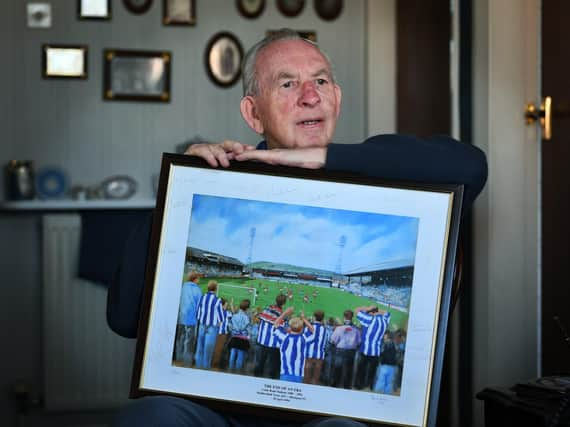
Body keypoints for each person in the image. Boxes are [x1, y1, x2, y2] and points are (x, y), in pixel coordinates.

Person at [108, 29, 487, 427]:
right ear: (253, 114)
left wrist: (320, 159)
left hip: (328, 417)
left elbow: (470, 166)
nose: (310, 96)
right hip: (219, 412)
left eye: (320, 81)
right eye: (288, 84)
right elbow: (123, 318)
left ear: (336, 99)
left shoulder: (375, 172)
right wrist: (177, 195)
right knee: (152, 416)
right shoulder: (220, 178)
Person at [272, 308, 315, 383]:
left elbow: (275, 324)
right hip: (298, 374)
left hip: (285, 372)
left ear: (289, 327)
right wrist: (303, 318)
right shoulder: (303, 338)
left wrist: (285, 313)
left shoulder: (284, 337)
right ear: (302, 329)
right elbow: (312, 330)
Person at [353, 306, 390, 390]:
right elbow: (387, 313)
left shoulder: (370, 319)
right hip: (376, 351)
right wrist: (376, 309)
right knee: (372, 371)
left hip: (365, 350)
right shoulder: (385, 321)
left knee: (361, 370)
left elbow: (356, 310)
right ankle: (370, 386)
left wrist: (368, 308)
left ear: (372, 313)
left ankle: (359, 386)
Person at [254, 294, 288, 379]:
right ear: (284, 304)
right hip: (273, 345)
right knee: (272, 368)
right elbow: (282, 329)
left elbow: (258, 319)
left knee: (259, 365)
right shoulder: (281, 315)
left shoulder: (266, 310)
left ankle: (255, 381)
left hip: (261, 341)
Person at [173, 270, 203, 367]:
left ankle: (178, 358)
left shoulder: (182, 287)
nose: (199, 280)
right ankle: (186, 363)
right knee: (189, 341)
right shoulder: (198, 290)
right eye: (198, 278)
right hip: (191, 320)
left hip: (180, 318)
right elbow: (199, 306)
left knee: (179, 339)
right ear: (195, 279)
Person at [195, 280, 224, 369]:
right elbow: (220, 315)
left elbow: (197, 311)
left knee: (200, 347)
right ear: (215, 289)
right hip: (212, 326)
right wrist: (220, 323)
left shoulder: (202, 297)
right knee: (208, 349)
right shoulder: (217, 300)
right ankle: (205, 368)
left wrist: (200, 320)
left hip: (202, 324)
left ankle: (198, 367)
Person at [329, 310, 361, 389]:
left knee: (337, 371)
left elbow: (332, 341)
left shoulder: (339, 328)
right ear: (352, 317)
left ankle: (334, 387)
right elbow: (359, 342)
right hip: (350, 352)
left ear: (344, 317)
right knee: (348, 372)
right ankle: (346, 388)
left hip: (340, 351)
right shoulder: (356, 330)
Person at [303, 309, 328, 385]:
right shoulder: (325, 329)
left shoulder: (308, 327)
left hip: (309, 352)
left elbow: (305, 339)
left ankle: (305, 387)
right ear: (323, 318)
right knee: (316, 374)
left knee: (307, 373)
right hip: (320, 353)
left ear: (314, 317)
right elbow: (326, 341)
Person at [227, 299, 251, 372]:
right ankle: (237, 372)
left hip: (234, 338)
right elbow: (248, 330)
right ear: (247, 308)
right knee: (240, 356)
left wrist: (234, 332)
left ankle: (230, 370)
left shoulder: (234, 316)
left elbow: (230, 326)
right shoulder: (247, 318)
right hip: (243, 339)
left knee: (232, 354)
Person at [211, 298, 233, 370]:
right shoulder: (225, 312)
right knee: (218, 350)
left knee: (215, 349)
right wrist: (231, 305)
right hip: (222, 334)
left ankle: (213, 364)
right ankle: (215, 366)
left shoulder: (215, 311)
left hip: (215, 332)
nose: (226, 307)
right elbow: (233, 314)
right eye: (225, 305)